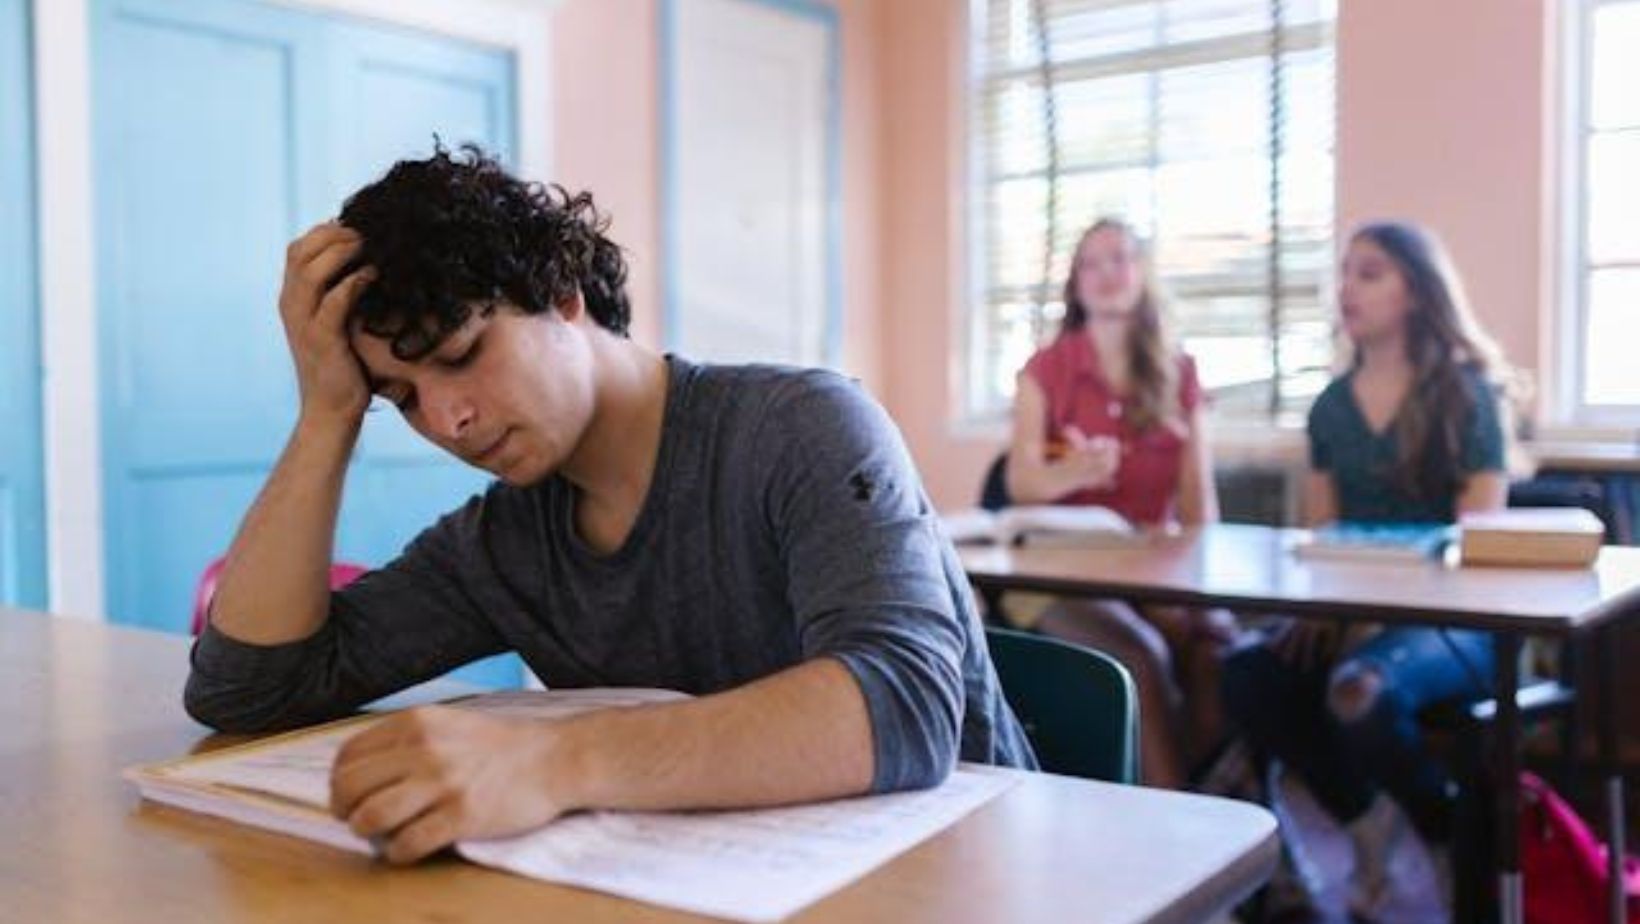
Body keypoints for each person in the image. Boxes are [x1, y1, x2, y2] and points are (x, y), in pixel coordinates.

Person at [184, 145, 1035, 864]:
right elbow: (248, 690)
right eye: (401, 396)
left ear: (563, 294)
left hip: (974, 877)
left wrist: (555, 761)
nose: (446, 419)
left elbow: (904, 707)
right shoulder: (505, 542)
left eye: (463, 354)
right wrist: (328, 416)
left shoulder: (802, 429)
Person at [1221, 221, 1514, 920]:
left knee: (1359, 692)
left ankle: (1440, 828)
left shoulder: (1467, 398)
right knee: (1246, 671)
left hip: (1455, 625)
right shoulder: (1330, 408)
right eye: (1345, 272)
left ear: (1415, 291)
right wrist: (1322, 610)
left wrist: (1368, 608)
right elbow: (1327, 540)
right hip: (1353, 615)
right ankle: (1366, 821)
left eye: (1370, 273)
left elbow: (1479, 542)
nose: (1347, 288)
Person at [1004, 217, 1233, 789]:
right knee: (1143, 658)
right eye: (1091, 262)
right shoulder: (1045, 371)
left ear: (1143, 274)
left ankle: (1201, 790)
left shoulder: (1180, 374)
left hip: (1148, 570)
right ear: (1075, 284)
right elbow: (1021, 485)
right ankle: (1174, 826)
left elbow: (1198, 504)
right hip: (1056, 575)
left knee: (1220, 649)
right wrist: (1074, 470)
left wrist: (1204, 592)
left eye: (1120, 258)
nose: (1107, 273)